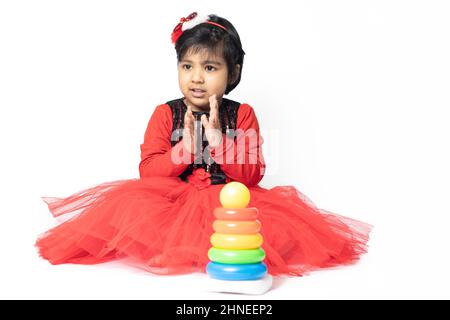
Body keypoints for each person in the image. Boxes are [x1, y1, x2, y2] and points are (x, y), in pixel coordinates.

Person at [36, 12, 372, 276]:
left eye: (210, 67)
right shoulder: (165, 113)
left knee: (265, 231)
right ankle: (176, 249)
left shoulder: (242, 114)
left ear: (232, 72)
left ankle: (213, 251)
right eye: (187, 66)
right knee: (135, 212)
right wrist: (184, 151)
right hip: (174, 202)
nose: (196, 77)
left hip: (228, 201)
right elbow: (148, 173)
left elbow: (253, 174)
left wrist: (219, 142)